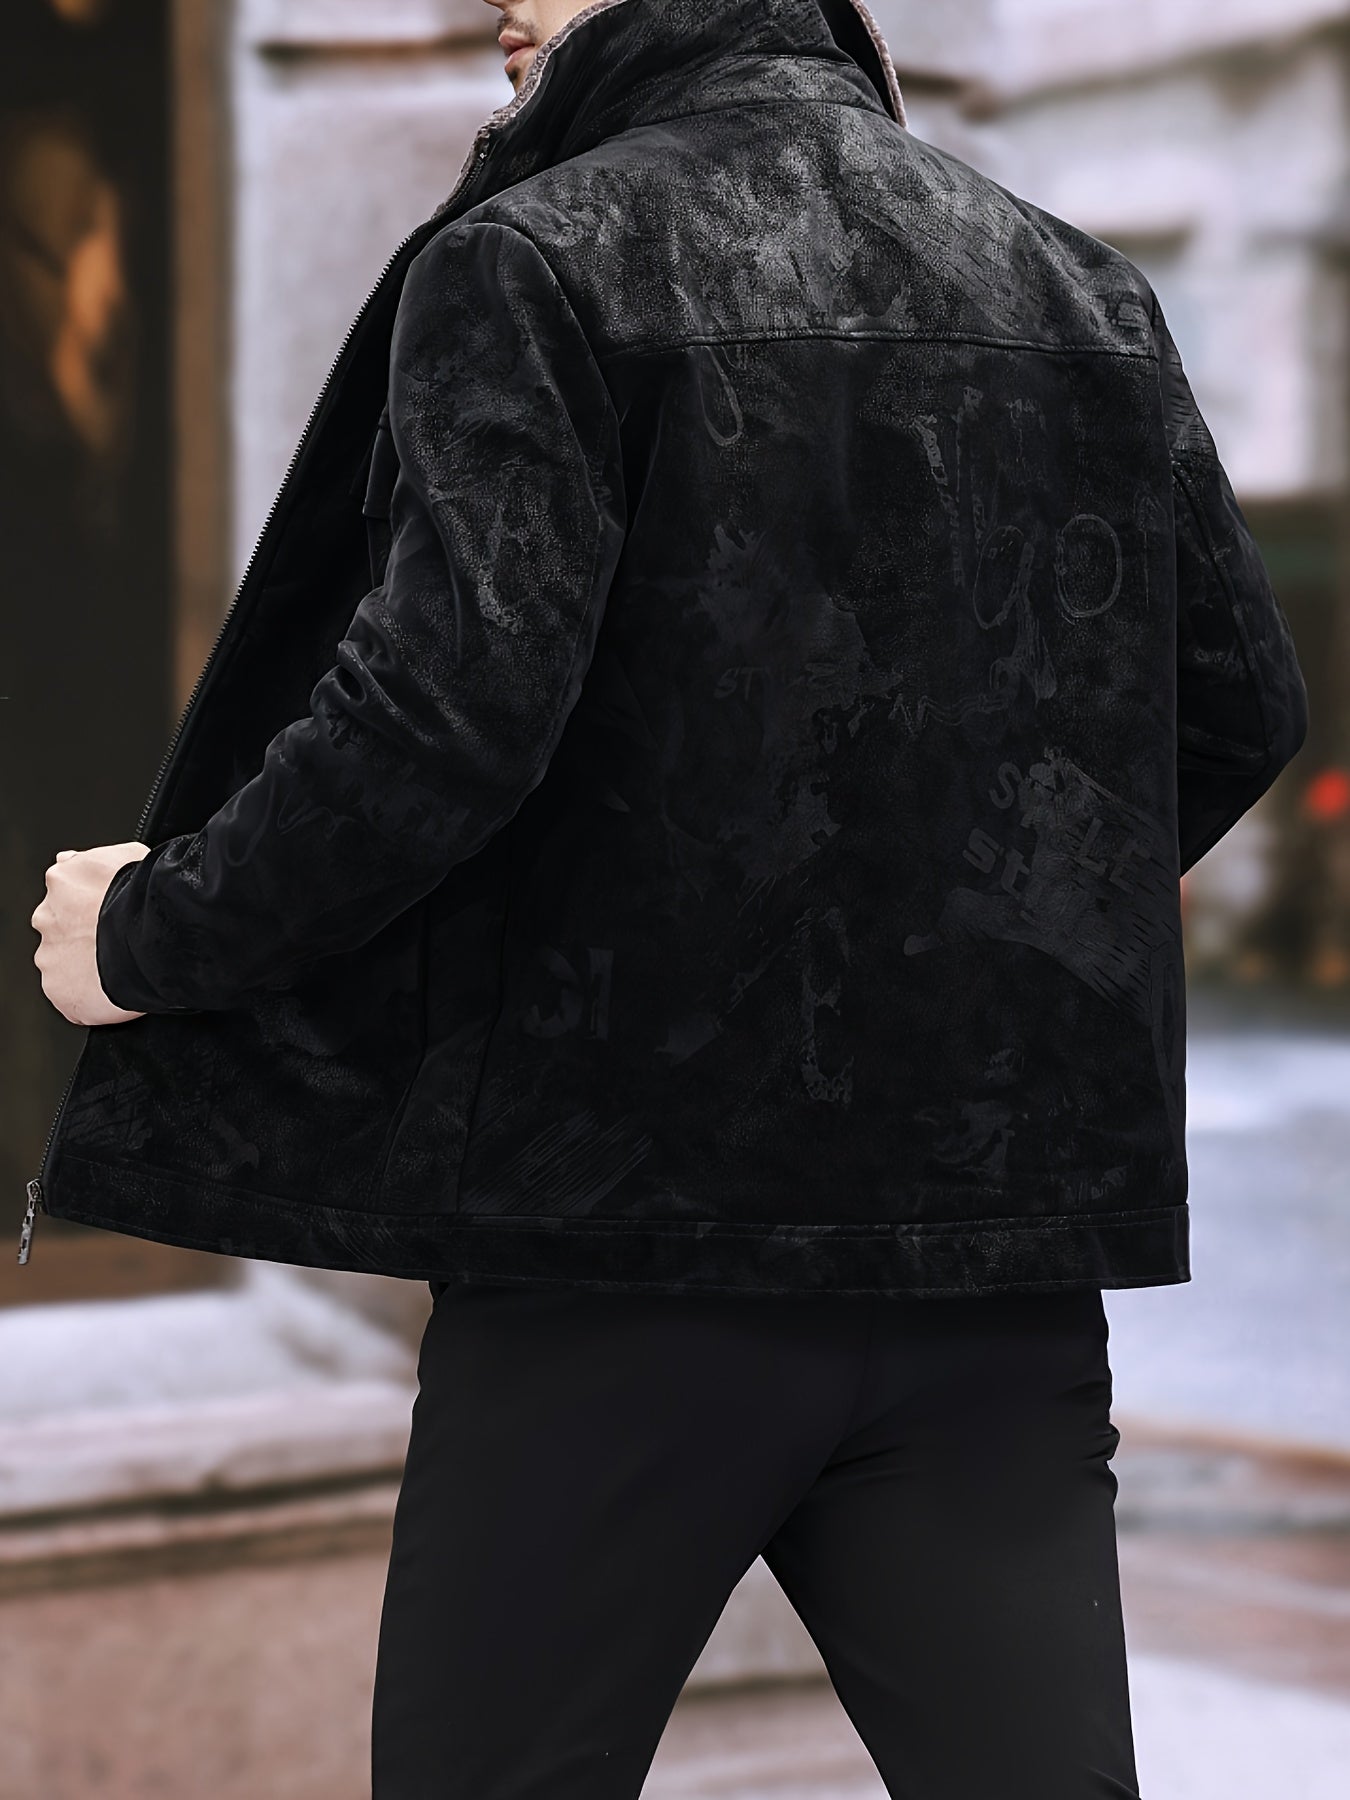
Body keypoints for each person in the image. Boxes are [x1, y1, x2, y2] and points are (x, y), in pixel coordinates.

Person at [29, 0, 1309, 1794]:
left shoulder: (534, 261)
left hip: (614, 1262)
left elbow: (435, 718)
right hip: (982, 1266)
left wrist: (150, 934)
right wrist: (955, 921)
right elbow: (1237, 704)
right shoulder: (1074, 285)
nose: (493, 6)